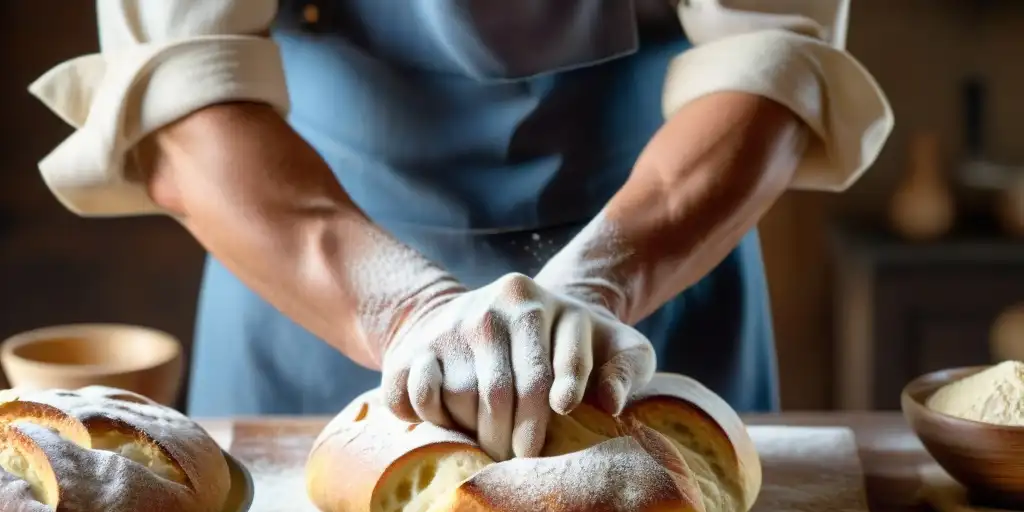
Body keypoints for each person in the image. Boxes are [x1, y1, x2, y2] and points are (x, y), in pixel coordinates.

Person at [29, 0, 892, 462]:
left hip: (657, 245)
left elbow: (774, 57)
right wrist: (405, 310)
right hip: (311, 257)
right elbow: (181, 106)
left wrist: (599, 280)